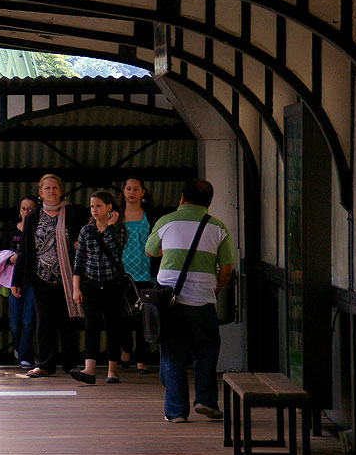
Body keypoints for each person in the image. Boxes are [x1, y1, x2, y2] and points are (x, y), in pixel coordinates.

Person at [145, 178, 235, 423]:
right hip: (203, 300)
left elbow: (150, 251)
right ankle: (205, 401)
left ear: (181, 198)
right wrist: (214, 290)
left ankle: (176, 412)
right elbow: (226, 268)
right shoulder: (218, 227)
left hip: (169, 300)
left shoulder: (166, 222)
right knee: (206, 349)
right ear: (209, 203)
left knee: (173, 354)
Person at [12, 175, 83, 378]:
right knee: (44, 322)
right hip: (41, 277)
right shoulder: (33, 217)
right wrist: (17, 280)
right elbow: (24, 249)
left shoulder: (72, 212)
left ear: (61, 190)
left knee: (69, 321)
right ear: (40, 193)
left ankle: (71, 365)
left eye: (55, 187)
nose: (51, 191)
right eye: (47, 188)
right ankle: (43, 364)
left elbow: (85, 233)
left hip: (68, 277)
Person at [70, 190, 128, 384]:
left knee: (113, 326)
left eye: (99, 206)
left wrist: (110, 226)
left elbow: (116, 249)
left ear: (109, 208)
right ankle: (90, 369)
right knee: (91, 326)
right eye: (92, 206)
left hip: (113, 285)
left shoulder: (119, 229)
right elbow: (79, 261)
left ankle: (112, 370)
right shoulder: (87, 230)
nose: (94, 210)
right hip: (91, 284)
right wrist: (76, 288)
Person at [118, 176, 156, 375]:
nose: (131, 192)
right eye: (128, 188)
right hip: (122, 274)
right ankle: (126, 348)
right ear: (123, 192)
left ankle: (142, 359)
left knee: (144, 317)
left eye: (136, 188)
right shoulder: (116, 214)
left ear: (143, 192)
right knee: (123, 317)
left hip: (145, 273)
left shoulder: (150, 214)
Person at [0, 196, 39, 368]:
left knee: (29, 320)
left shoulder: (40, 231)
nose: (27, 212)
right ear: (19, 211)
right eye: (24, 208)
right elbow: (1, 255)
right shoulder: (11, 231)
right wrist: (11, 258)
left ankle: (24, 355)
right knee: (15, 321)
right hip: (14, 279)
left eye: (30, 209)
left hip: (34, 279)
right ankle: (18, 348)